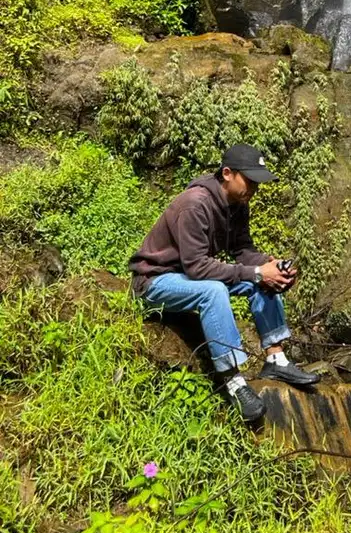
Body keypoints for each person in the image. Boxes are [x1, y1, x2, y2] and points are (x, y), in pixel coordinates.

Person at [129, 143, 320, 425]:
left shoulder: (238, 206)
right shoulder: (195, 204)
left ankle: (276, 359)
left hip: (189, 277)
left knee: (263, 281)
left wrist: (271, 267)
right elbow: (196, 266)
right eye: (250, 180)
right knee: (215, 290)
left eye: (258, 182)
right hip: (156, 281)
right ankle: (233, 381)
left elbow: (242, 250)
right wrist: (256, 271)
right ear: (227, 173)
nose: (254, 188)